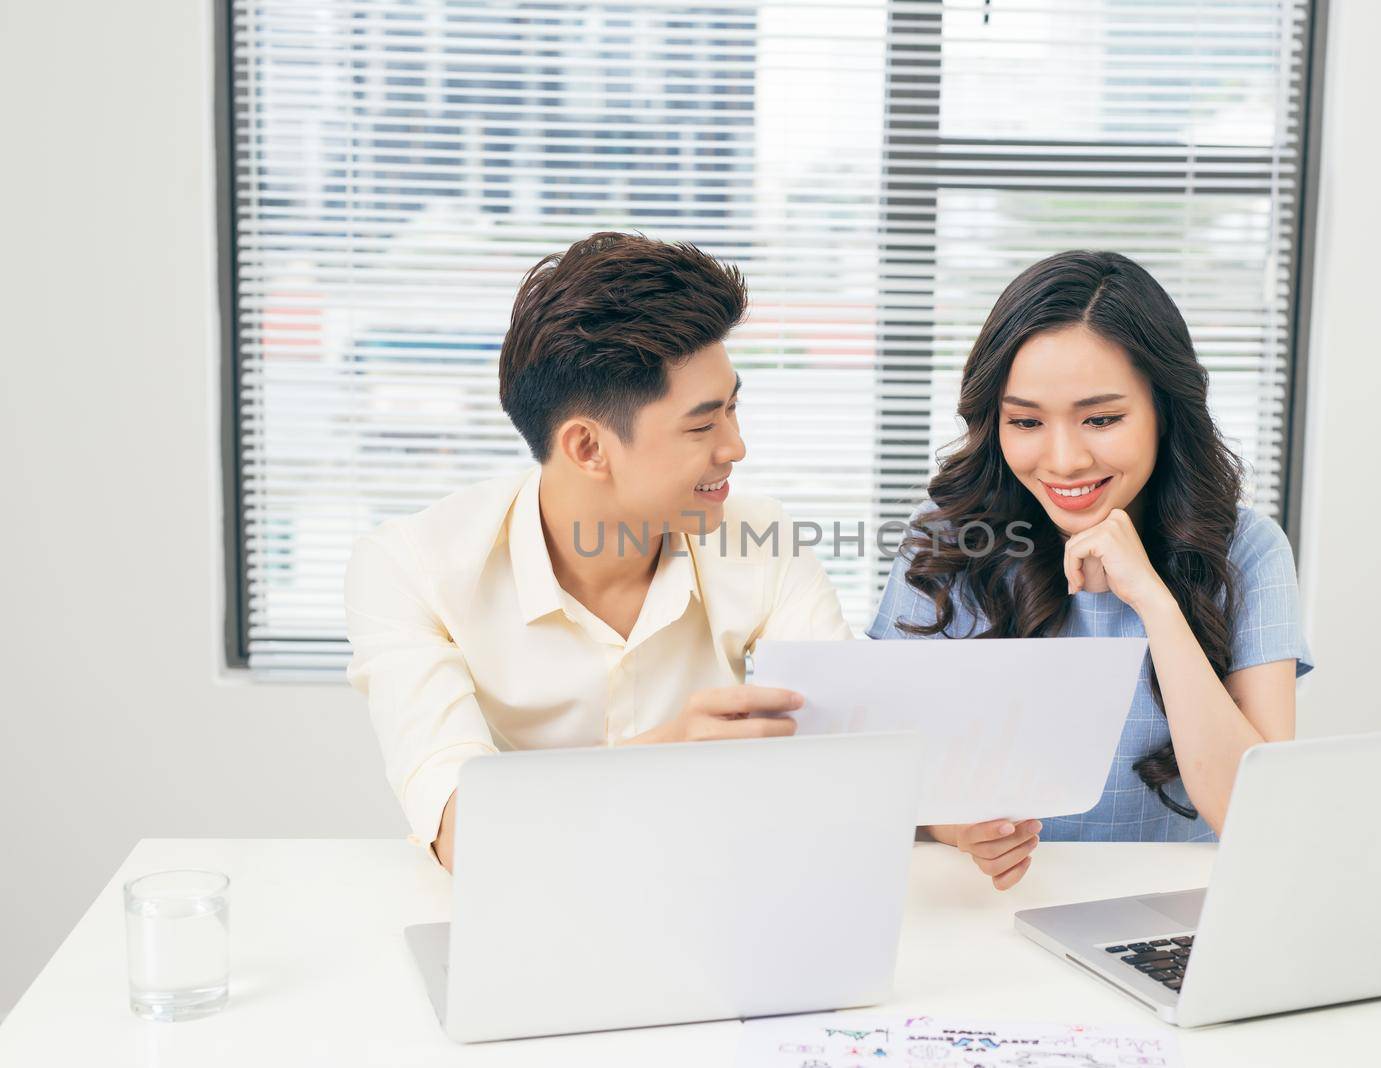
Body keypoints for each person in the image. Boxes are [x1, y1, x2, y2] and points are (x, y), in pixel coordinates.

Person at [345, 233, 852, 871]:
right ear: (588, 448)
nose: (735, 447)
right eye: (701, 425)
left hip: (718, 895)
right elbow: (464, 833)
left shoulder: (762, 539)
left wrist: (946, 820)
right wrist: (665, 754)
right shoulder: (410, 569)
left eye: (733, 409)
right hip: (529, 911)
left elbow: (846, 758)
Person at [868, 250, 1313, 890]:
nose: (1065, 459)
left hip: (1174, 914)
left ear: (1165, 408)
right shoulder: (945, 540)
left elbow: (1259, 815)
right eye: (1025, 421)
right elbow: (886, 773)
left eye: (1101, 419)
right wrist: (957, 829)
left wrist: (1154, 602)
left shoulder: (1248, 549)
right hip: (991, 912)